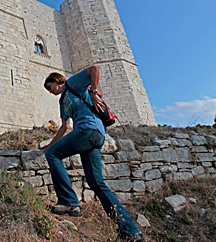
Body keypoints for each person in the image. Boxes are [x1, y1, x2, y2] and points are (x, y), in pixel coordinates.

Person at [42, 65, 144, 242]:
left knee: (53, 155)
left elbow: (94, 69)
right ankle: (130, 232)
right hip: (91, 136)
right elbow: (65, 127)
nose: (49, 92)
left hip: (88, 130)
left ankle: (69, 201)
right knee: (96, 183)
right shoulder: (62, 102)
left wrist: (94, 92)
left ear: (57, 81)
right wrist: (50, 144)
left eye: (49, 87)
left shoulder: (73, 83)